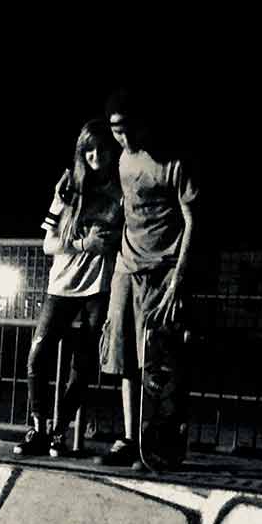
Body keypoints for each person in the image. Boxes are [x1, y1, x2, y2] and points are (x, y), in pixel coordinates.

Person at [93, 88, 199, 468]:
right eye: (116, 131)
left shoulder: (175, 162)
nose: (124, 138)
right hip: (127, 266)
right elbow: (126, 205)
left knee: (157, 362)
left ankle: (158, 441)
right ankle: (128, 438)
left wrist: (178, 280)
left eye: (127, 129)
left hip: (163, 270)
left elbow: (193, 222)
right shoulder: (122, 160)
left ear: (142, 122)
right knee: (123, 357)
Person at [14, 118, 123, 458]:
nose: (95, 156)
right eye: (88, 149)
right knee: (38, 355)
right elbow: (47, 243)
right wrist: (83, 243)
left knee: (84, 364)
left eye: (101, 149)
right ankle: (38, 429)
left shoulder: (121, 189)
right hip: (61, 286)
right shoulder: (68, 187)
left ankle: (60, 433)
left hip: (98, 289)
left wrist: (113, 243)